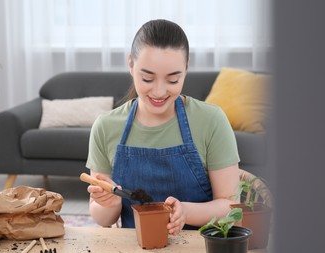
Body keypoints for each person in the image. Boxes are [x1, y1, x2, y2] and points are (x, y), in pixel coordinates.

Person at [85, 19, 240, 236]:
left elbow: (231, 207)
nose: (159, 92)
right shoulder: (106, 127)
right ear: (131, 65)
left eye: (173, 80)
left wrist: (186, 211)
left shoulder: (211, 121)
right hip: (135, 251)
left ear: (186, 69)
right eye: (147, 78)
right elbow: (103, 219)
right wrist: (108, 203)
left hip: (198, 249)